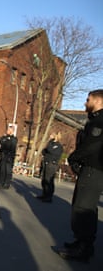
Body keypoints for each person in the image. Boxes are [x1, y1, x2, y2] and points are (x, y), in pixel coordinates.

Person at [56, 89, 103, 263]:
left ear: (98, 101)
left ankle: (84, 248)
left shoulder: (99, 121)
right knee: (83, 206)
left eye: (88, 99)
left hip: (93, 170)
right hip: (91, 169)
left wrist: (73, 157)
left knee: (83, 208)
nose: (85, 102)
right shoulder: (96, 120)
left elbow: (92, 146)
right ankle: (80, 242)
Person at [36, 132, 63, 203]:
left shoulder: (58, 146)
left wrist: (50, 142)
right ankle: (44, 194)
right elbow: (44, 151)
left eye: (53, 135)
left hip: (52, 165)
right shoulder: (51, 144)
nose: (51, 136)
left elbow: (50, 150)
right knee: (44, 179)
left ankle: (49, 196)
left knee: (49, 180)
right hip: (46, 163)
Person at [0, 124, 17, 189]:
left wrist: (6, 140)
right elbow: (1, 141)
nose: (7, 131)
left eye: (8, 130)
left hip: (9, 157)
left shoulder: (14, 139)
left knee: (7, 171)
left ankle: (6, 184)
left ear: (11, 131)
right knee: (1, 170)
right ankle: (0, 182)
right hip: (3, 156)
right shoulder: (4, 137)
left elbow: (9, 145)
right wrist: (5, 138)